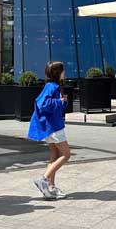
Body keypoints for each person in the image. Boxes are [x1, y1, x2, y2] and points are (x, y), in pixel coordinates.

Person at [28, 61, 69, 200]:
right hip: (54, 127)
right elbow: (43, 104)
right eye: (63, 70)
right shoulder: (52, 87)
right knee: (66, 154)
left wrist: (63, 102)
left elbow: (55, 106)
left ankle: (51, 187)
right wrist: (60, 102)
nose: (65, 73)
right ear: (58, 73)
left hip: (51, 126)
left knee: (55, 153)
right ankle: (44, 179)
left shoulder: (52, 86)